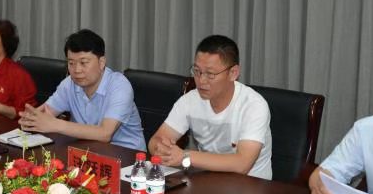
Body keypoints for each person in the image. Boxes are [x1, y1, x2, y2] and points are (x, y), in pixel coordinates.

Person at [148, 35, 272, 180]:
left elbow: (242, 164)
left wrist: (185, 156)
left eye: (210, 74)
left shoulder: (253, 105)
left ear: (233, 73)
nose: (201, 80)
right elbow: (155, 141)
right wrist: (162, 149)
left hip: (251, 185)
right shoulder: (190, 100)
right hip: (207, 180)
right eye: (197, 71)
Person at [18, 29, 145, 151]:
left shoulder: (119, 85)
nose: (77, 70)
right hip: (88, 152)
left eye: (83, 63)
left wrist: (55, 124)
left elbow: (105, 134)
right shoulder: (69, 84)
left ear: (101, 62)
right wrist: (32, 120)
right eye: (71, 63)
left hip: (129, 156)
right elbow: (46, 113)